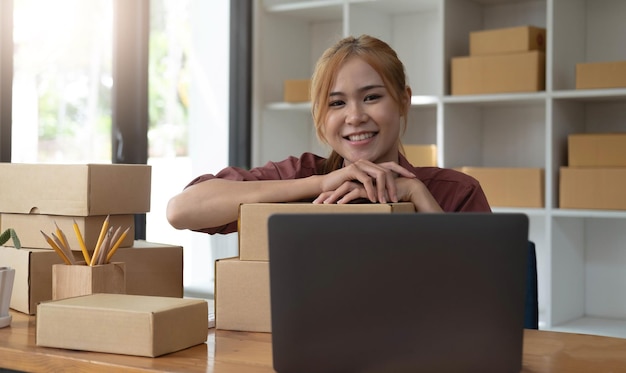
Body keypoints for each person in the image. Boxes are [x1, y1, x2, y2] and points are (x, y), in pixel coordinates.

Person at [166, 35, 491, 235]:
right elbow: (181, 210)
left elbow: (484, 296)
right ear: (321, 118)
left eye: (372, 97)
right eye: (337, 103)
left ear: (403, 101)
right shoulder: (301, 176)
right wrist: (321, 184)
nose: (355, 116)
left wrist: (418, 196)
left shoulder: (456, 193)